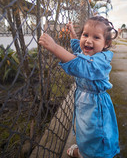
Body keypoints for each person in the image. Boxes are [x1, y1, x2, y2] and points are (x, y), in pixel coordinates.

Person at [39, 16, 120, 158]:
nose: (88, 40)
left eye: (96, 37)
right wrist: (72, 31)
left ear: (106, 43)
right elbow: (78, 46)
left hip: (96, 106)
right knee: (83, 130)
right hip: (84, 102)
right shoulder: (88, 50)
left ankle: (90, 154)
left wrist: (54, 47)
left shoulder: (102, 60)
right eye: (85, 35)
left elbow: (82, 65)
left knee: (94, 133)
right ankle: (84, 150)